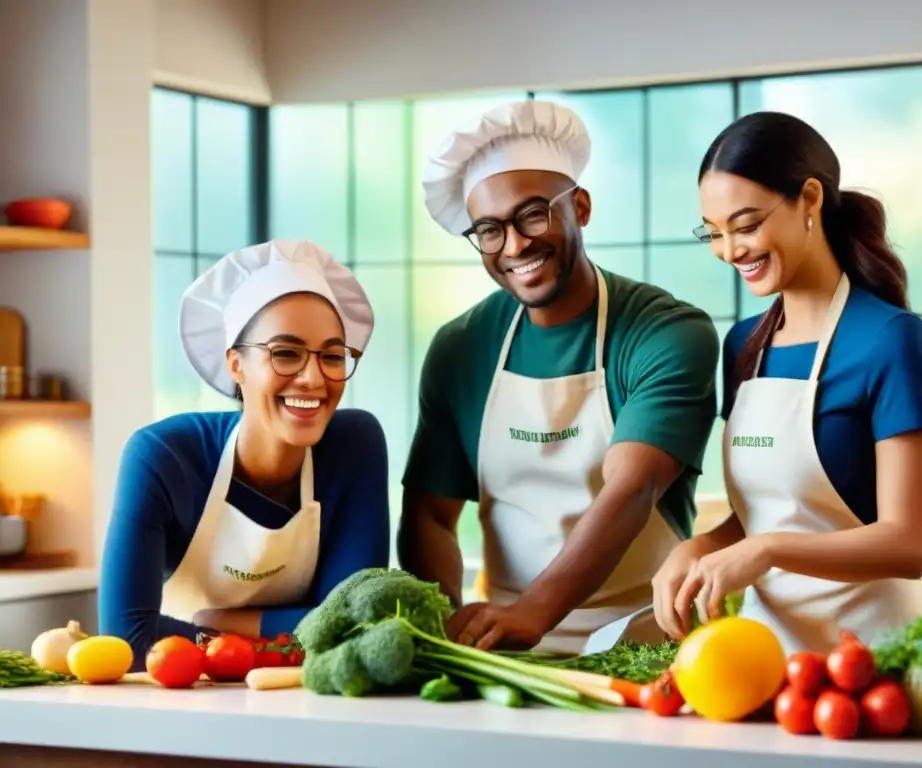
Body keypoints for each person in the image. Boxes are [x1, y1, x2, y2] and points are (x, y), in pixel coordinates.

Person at [400, 99, 720, 654]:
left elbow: (632, 488)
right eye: (490, 231)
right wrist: (447, 625)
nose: (516, 245)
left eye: (532, 214)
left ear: (581, 206)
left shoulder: (667, 332)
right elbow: (429, 513)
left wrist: (535, 611)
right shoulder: (460, 348)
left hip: (644, 644)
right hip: (503, 650)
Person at [651, 111, 922, 655]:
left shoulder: (892, 340)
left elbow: (909, 543)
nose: (731, 251)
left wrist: (767, 550)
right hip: (769, 662)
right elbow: (771, 510)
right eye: (713, 233)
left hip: (879, 659)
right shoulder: (743, 346)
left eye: (745, 225)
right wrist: (699, 547)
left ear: (809, 199)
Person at [98, 239, 390, 667]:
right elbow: (129, 638)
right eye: (285, 354)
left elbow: (352, 626)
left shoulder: (355, 445)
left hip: (309, 698)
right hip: (180, 695)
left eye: (331, 356)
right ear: (236, 364)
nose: (313, 378)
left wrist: (224, 622)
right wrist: (281, 643)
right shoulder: (162, 457)